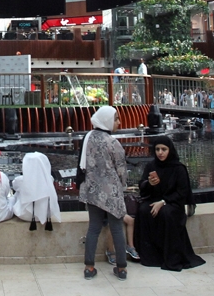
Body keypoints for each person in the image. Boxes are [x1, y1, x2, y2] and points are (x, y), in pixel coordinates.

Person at [136, 135, 204, 271]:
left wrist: (164, 201)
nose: (160, 153)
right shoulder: (151, 166)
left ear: (170, 150)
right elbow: (142, 187)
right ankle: (150, 257)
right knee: (143, 211)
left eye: (164, 149)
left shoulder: (179, 168)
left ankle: (172, 257)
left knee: (166, 213)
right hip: (154, 200)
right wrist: (149, 183)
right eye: (157, 149)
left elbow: (182, 192)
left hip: (173, 203)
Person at [79, 106, 128, 281]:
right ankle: (121, 268)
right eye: (116, 119)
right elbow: (121, 170)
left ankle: (89, 267)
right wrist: (122, 186)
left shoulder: (88, 138)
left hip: (92, 190)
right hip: (112, 192)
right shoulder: (113, 143)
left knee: (93, 228)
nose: (119, 122)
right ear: (107, 120)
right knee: (117, 229)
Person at [11, 151, 62, 226]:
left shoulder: (20, 180)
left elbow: (14, 187)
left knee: (16, 194)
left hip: (25, 214)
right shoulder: (50, 179)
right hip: (46, 213)